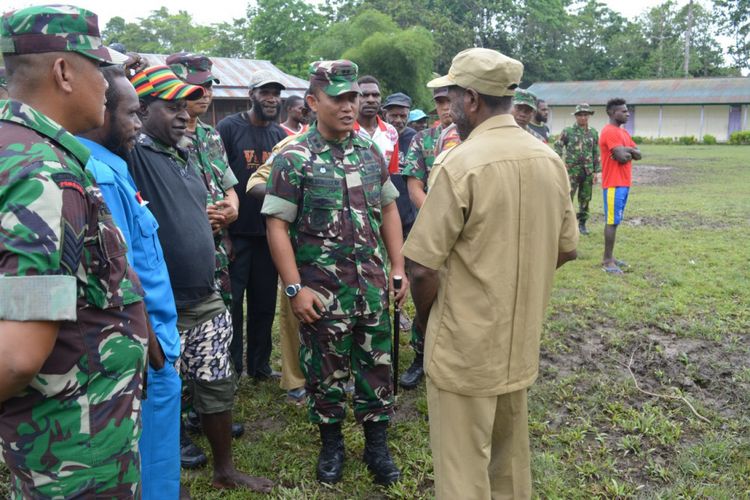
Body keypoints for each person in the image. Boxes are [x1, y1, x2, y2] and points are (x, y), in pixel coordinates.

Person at [403, 48, 579, 499]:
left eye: (451, 96)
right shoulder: (548, 159)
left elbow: (422, 268)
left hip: (464, 347)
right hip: (518, 342)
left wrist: (428, 324)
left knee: (462, 473)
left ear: (472, 100)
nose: (448, 107)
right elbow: (564, 249)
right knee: (509, 467)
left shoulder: (460, 164)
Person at [0, 5, 149, 498]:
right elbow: (18, 356)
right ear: (64, 72)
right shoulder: (39, 173)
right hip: (74, 455)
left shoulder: (21, 150)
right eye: (99, 68)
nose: (109, 84)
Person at [262, 60, 408, 486]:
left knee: (377, 365)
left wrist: (397, 267)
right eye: (339, 98)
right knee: (324, 372)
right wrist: (294, 288)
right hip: (322, 292)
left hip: (372, 286)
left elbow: (388, 208)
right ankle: (332, 445)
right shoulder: (293, 157)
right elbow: (276, 225)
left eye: (354, 98)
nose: (349, 106)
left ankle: (376, 447)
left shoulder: (369, 151)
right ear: (312, 102)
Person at [128, 65, 274, 493]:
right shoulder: (132, 152)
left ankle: (224, 469)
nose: (183, 114)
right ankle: (158, 474)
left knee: (216, 383)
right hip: (159, 302)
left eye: (185, 105)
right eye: (171, 107)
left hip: (205, 294)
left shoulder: (188, 151)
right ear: (139, 110)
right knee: (157, 392)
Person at [78, 66, 182, 499]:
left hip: (152, 342)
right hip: (147, 349)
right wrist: (153, 351)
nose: (138, 125)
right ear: (103, 115)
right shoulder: (98, 173)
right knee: (152, 464)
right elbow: (121, 273)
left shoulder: (111, 166)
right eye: (132, 114)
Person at [167, 52, 244, 465]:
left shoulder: (211, 136)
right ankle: (177, 427)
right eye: (197, 86)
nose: (206, 93)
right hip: (181, 256)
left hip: (215, 254)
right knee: (174, 345)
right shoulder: (161, 139)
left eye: (209, 84)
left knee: (212, 338)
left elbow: (228, 184)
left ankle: (205, 411)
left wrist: (230, 208)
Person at [217, 70, 287, 380]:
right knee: (232, 305)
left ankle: (260, 365)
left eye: (276, 93)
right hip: (236, 234)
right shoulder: (228, 129)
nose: (271, 98)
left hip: (268, 234)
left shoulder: (281, 137)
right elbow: (217, 179)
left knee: (264, 304)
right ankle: (233, 367)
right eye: (265, 93)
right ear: (251, 95)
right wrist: (224, 234)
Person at [399, 86, 453, 390]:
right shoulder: (424, 139)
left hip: (471, 234)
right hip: (433, 230)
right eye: (441, 102)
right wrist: (437, 218)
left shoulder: (476, 139)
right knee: (425, 290)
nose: (446, 107)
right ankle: (420, 356)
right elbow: (414, 185)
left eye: (450, 100)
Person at [599, 97, 642, 274]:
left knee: (616, 221)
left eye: (627, 110)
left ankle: (611, 257)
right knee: (611, 221)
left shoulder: (624, 133)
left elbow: (638, 154)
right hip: (613, 184)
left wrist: (629, 150)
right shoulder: (609, 132)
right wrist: (628, 151)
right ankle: (607, 260)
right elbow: (621, 157)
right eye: (623, 111)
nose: (627, 113)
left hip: (624, 183)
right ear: (612, 112)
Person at [554, 103, 600, 236]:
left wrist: (597, 171)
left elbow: (595, 152)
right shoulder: (568, 131)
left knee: (585, 198)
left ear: (589, 116)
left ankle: (582, 224)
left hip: (587, 172)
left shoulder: (593, 132)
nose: (583, 117)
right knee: (567, 198)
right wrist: (560, 163)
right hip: (571, 172)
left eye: (586, 115)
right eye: (580, 115)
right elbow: (558, 146)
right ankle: (564, 225)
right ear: (576, 116)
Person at [382, 92, 417, 237]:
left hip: (409, 217)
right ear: (385, 115)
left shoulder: (414, 138)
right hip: (382, 213)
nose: (398, 120)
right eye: (394, 115)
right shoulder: (378, 137)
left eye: (403, 116)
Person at [354, 75, 399, 174]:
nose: (371, 100)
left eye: (375, 95)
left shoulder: (391, 132)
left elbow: (392, 173)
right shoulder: (345, 130)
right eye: (364, 95)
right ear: (354, 98)